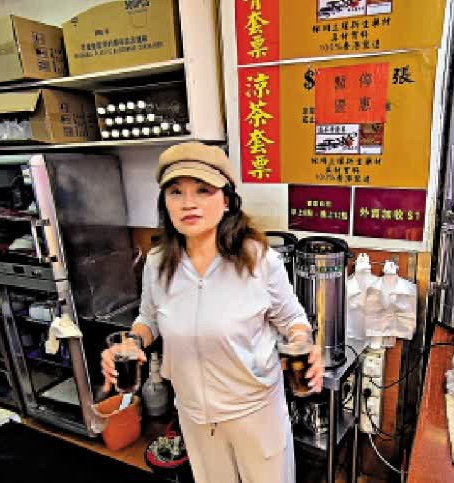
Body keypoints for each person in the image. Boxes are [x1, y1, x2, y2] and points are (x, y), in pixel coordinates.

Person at [101, 142, 322, 483]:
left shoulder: (258, 259)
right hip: (195, 416)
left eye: (203, 190)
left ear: (227, 200)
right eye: (175, 191)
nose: (188, 203)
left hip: (255, 412)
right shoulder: (158, 262)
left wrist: (305, 343)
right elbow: (149, 318)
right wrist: (132, 342)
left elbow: (293, 320)